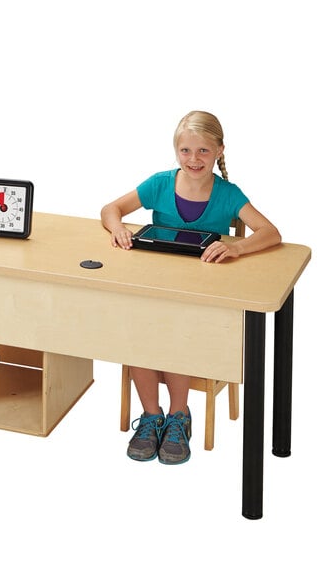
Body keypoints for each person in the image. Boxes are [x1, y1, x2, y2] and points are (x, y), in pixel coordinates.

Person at [100, 110, 281, 465]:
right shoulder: (160, 183)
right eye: (185, 151)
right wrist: (117, 228)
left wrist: (236, 246)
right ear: (176, 151)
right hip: (155, 285)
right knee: (139, 328)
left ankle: (180, 415)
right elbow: (111, 208)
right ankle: (152, 417)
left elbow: (271, 233)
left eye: (202, 151)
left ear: (219, 151)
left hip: (201, 297)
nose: (193, 159)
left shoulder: (228, 194)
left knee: (175, 331)